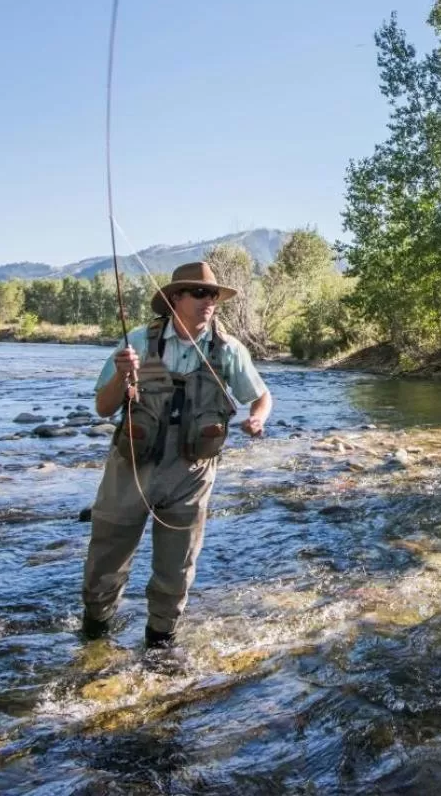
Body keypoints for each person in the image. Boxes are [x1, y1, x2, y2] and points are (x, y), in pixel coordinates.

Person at [79, 261, 272, 651]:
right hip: (133, 462)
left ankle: (160, 647)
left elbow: (262, 396)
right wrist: (122, 376)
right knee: (106, 561)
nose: (209, 302)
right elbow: (103, 407)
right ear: (175, 299)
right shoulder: (137, 341)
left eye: (213, 295)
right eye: (200, 293)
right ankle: (94, 641)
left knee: (176, 568)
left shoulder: (229, 350)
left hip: (192, 471)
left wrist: (257, 418)